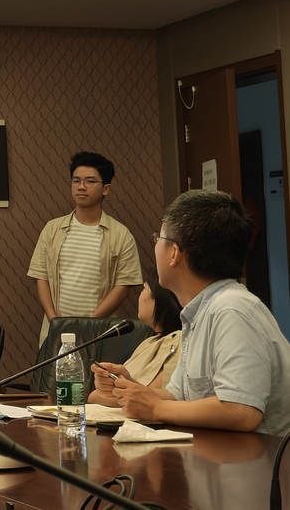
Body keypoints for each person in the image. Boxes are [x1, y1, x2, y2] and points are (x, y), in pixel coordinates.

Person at [113, 189, 290, 435]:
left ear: (174, 253)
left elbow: (241, 411)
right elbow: (180, 398)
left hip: (261, 457)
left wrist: (155, 408)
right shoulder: (199, 311)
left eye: (158, 239)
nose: (156, 248)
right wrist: (132, 389)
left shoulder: (232, 309)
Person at [27, 151, 143, 345]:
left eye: (90, 181)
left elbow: (123, 287)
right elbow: (41, 277)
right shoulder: (52, 229)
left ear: (105, 188)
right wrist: (54, 320)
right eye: (76, 180)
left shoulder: (121, 235)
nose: (81, 186)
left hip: (99, 333)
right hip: (55, 331)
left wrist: (89, 324)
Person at [88, 266, 182, 406]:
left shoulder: (177, 340)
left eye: (144, 288)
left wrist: (100, 394)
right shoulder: (149, 342)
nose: (141, 295)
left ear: (161, 300)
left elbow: (149, 396)